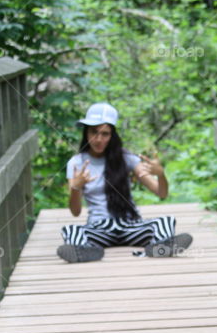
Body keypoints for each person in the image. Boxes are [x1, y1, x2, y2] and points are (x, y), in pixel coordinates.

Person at [56, 102, 193, 263]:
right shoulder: (76, 163)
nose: (98, 139)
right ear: (86, 132)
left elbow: (161, 193)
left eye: (105, 134)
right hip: (99, 227)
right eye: (94, 132)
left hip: (130, 225)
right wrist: (76, 186)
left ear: (112, 135)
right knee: (71, 230)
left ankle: (160, 247)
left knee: (165, 221)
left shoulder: (127, 158)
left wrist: (161, 175)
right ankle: (85, 252)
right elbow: (75, 212)